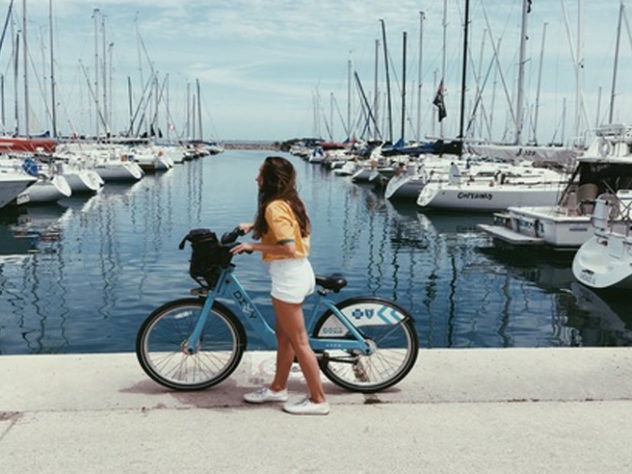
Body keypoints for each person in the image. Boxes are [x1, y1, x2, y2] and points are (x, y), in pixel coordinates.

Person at [230, 156, 329, 416]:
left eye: (260, 174)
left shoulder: (274, 207)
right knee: (284, 337)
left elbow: (288, 247)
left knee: (299, 342)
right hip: (298, 271)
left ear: (270, 180)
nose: (256, 178)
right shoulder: (290, 201)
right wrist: (255, 226)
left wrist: (252, 245)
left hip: (289, 277)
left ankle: (319, 400)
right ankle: (277, 388)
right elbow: (290, 229)